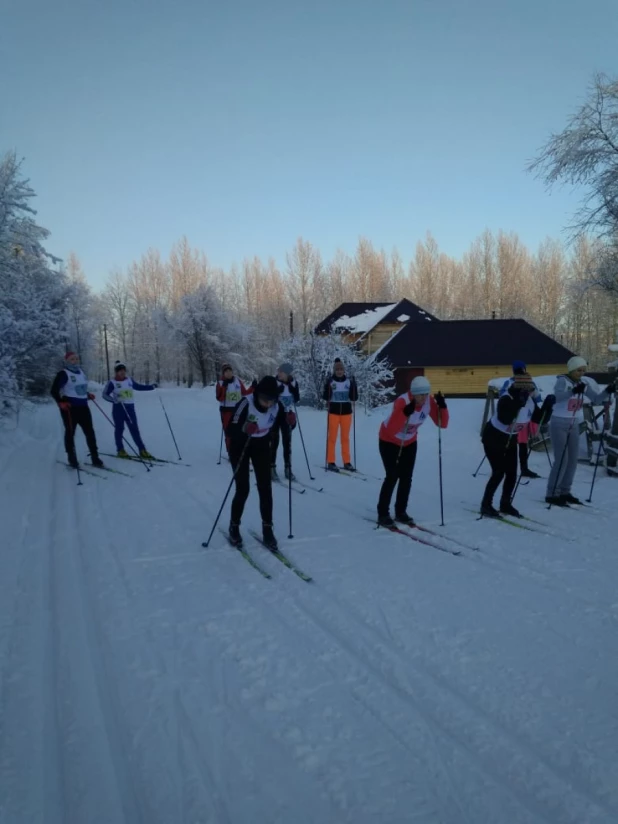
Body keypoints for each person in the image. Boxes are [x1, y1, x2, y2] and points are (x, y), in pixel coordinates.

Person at [226, 375, 294, 550]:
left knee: (265, 488)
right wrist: (244, 429)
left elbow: (283, 425)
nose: (268, 404)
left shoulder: (276, 406)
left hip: (261, 445)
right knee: (243, 489)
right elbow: (230, 429)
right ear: (257, 395)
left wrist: (289, 422)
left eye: (272, 400)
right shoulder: (245, 403)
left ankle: (267, 530)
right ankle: (234, 526)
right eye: (265, 400)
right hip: (240, 447)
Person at [377, 376, 449, 526]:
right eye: (420, 394)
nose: (424, 398)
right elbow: (391, 429)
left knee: (406, 477)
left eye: (426, 394)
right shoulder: (402, 401)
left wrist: (442, 406)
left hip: (409, 442)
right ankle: (383, 513)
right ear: (413, 393)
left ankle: (401, 511)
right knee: (392, 476)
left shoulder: (428, 401)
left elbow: (442, 423)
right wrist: (404, 413)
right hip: (389, 441)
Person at [481, 373, 555, 518]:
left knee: (512, 473)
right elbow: (505, 419)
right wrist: (518, 403)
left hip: (510, 438)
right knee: (498, 472)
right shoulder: (506, 398)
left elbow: (540, 420)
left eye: (530, 388)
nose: (529, 391)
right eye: (525, 388)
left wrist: (548, 406)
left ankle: (505, 503)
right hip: (493, 438)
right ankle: (486, 504)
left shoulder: (529, 401)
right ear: (517, 387)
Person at [545, 356, 615, 506]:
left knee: (572, 460)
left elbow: (596, 399)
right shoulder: (562, 381)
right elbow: (556, 397)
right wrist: (573, 392)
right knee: (562, 459)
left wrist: (607, 391)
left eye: (583, 370)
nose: (581, 373)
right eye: (578, 370)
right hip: (559, 422)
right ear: (571, 369)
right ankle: (552, 493)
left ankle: (565, 491)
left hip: (574, 423)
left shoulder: (583, 383)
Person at [50, 351, 104, 468]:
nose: (75, 361)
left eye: (76, 359)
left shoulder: (81, 373)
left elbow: (80, 388)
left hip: (83, 407)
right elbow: (54, 390)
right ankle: (71, 457)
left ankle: (95, 457)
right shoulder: (63, 374)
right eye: (72, 359)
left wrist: (87, 394)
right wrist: (61, 402)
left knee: (90, 432)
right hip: (70, 408)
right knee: (70, 432)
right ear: (67, 361)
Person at [102, 361, 157, 458]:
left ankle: (142, 450)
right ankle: (120, 450)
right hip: (118, 409)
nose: (122, 372)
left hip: (130, 409)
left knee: (134, 429)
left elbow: (139, 387)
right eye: (120, 371)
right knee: (119, 429)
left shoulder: (129, 380)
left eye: (123, 370)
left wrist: (151, 387)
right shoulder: (112, 382)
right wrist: (114, 400)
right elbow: (104, 395)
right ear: (116, 372)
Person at [500, 360, 543, 479]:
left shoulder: (530, 381)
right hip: (514, 416)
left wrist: (531, 391)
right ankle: (505, 467)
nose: (520, 372)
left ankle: (524, 468)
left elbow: (537, 397)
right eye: (518, 370)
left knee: (523, 443)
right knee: (511, 443)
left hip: (526, 415)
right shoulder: (509, 382)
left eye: (522, 370)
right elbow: (502, 395)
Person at [323, 358, 359, 471]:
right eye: (337, 369)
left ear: (344, 370)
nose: (339, 371)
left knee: (345, 438)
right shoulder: (331, 381)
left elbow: (354, 398)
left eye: (341, 369)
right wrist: (326, 387)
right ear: (334, 370)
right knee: (332, 438)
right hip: (333, 412)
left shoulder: (349, 382)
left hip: (346, 413)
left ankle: (347, 462)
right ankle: (331, 461)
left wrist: (354, 386)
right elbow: (325, 397)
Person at [216, 363, 252, 456]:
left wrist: (253, 388)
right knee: (229, 432)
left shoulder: (238, 381)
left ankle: (240, 450)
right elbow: (220, 398)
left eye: (230, 371)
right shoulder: (220, 383)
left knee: (241, 430)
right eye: (226, 372)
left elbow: (245, 393)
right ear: (223, 373)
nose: (228, 373)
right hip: (226, 411)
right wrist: (224, 387)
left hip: (238, 411)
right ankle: (230, 452)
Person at [271, 362, 299, 480]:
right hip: (274, 416)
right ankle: (271, 468)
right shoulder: (274, 382)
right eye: (278, 371)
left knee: (287, 443)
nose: (279, 373)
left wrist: (293, 391)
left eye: (281, 372)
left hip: (287, 416)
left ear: (287, 373)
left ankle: (288, 468)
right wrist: (277, 391)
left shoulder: (293, 383)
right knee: (274, 443)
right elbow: (268, 398)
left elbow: (297, 399)